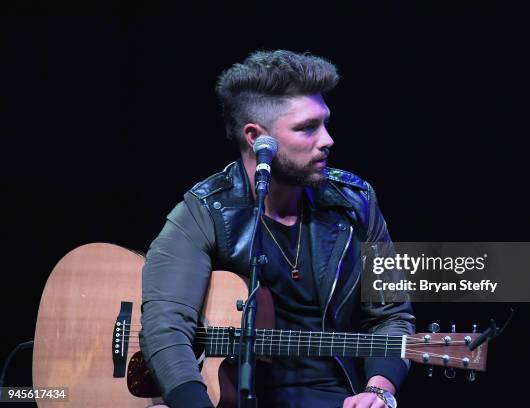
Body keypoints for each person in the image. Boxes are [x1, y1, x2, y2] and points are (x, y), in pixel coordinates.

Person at [139, 50, 415, 408]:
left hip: (333, 396)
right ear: (256, 137)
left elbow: (391, 316)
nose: (328, 139)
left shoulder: (356, 203)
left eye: (325, 123)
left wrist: (379, 391)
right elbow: (166, 326)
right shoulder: (204, 211)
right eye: (307, 128)